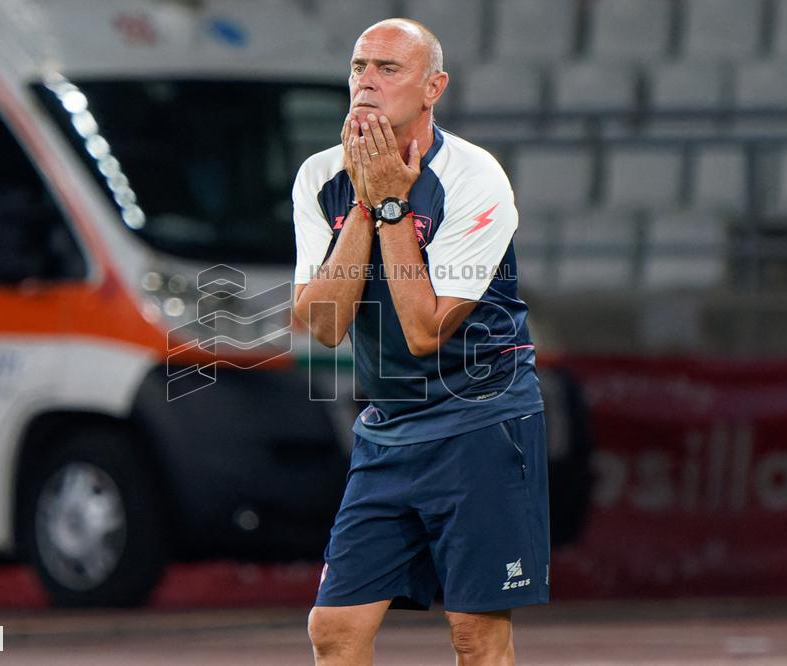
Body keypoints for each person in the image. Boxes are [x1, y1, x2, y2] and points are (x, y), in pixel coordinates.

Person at [292, 18, 549, 666]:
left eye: (387, 69)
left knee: (476, 635)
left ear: (434, 87)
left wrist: (391, 209)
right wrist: (363, 201)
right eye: (358, 68)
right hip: (390, 427)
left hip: (481, 421)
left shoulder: (476, 180)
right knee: (335, 628)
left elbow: (425, 328)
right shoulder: (320, 178)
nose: (366, 84)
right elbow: (322, 325)